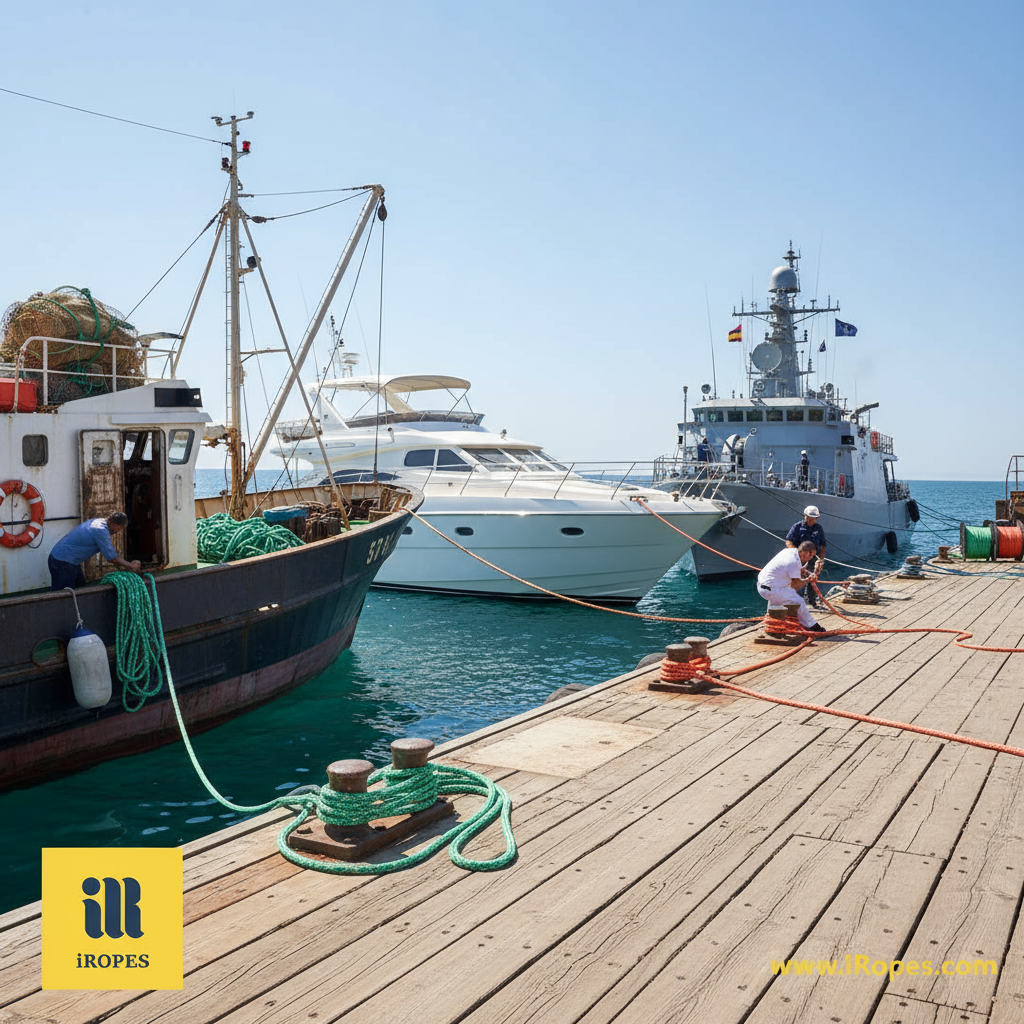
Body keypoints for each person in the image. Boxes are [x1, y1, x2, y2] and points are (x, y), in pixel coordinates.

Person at [48, 511, 143, 591]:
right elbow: (112, 559)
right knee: (63, 594)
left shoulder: (99, 522)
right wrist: (131, 566)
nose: (119, 531)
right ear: (113, 523)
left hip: (68, 561)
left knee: (80, 588)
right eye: (120, 528)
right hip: (63, 561)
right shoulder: (100, 530)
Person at [757, 539, 826, 632]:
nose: (811, 558)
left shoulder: (789, 551)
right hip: (772, 590)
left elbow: (797, 571)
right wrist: (808, 580)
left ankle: (774, 627)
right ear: (804, 552)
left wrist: (807, 573)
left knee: (778, 602)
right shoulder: (793, 563)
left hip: (763, 585)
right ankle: (812, 627)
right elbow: (795, 587)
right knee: (799, 601)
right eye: (810, 555)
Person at [786, 505, 827, 607]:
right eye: (809, 518)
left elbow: (822, 545)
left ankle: (812, 602)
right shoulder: (797, 527)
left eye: (813, 519)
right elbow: (788, 541)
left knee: (813, 581)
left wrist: (821, 559)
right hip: (800, 560)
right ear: (804, 515)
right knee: (798, 581)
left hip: (813, 560)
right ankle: (796, 604)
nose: (811, 521)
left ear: (817, 518)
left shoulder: (819, 528)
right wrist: (795, 553)